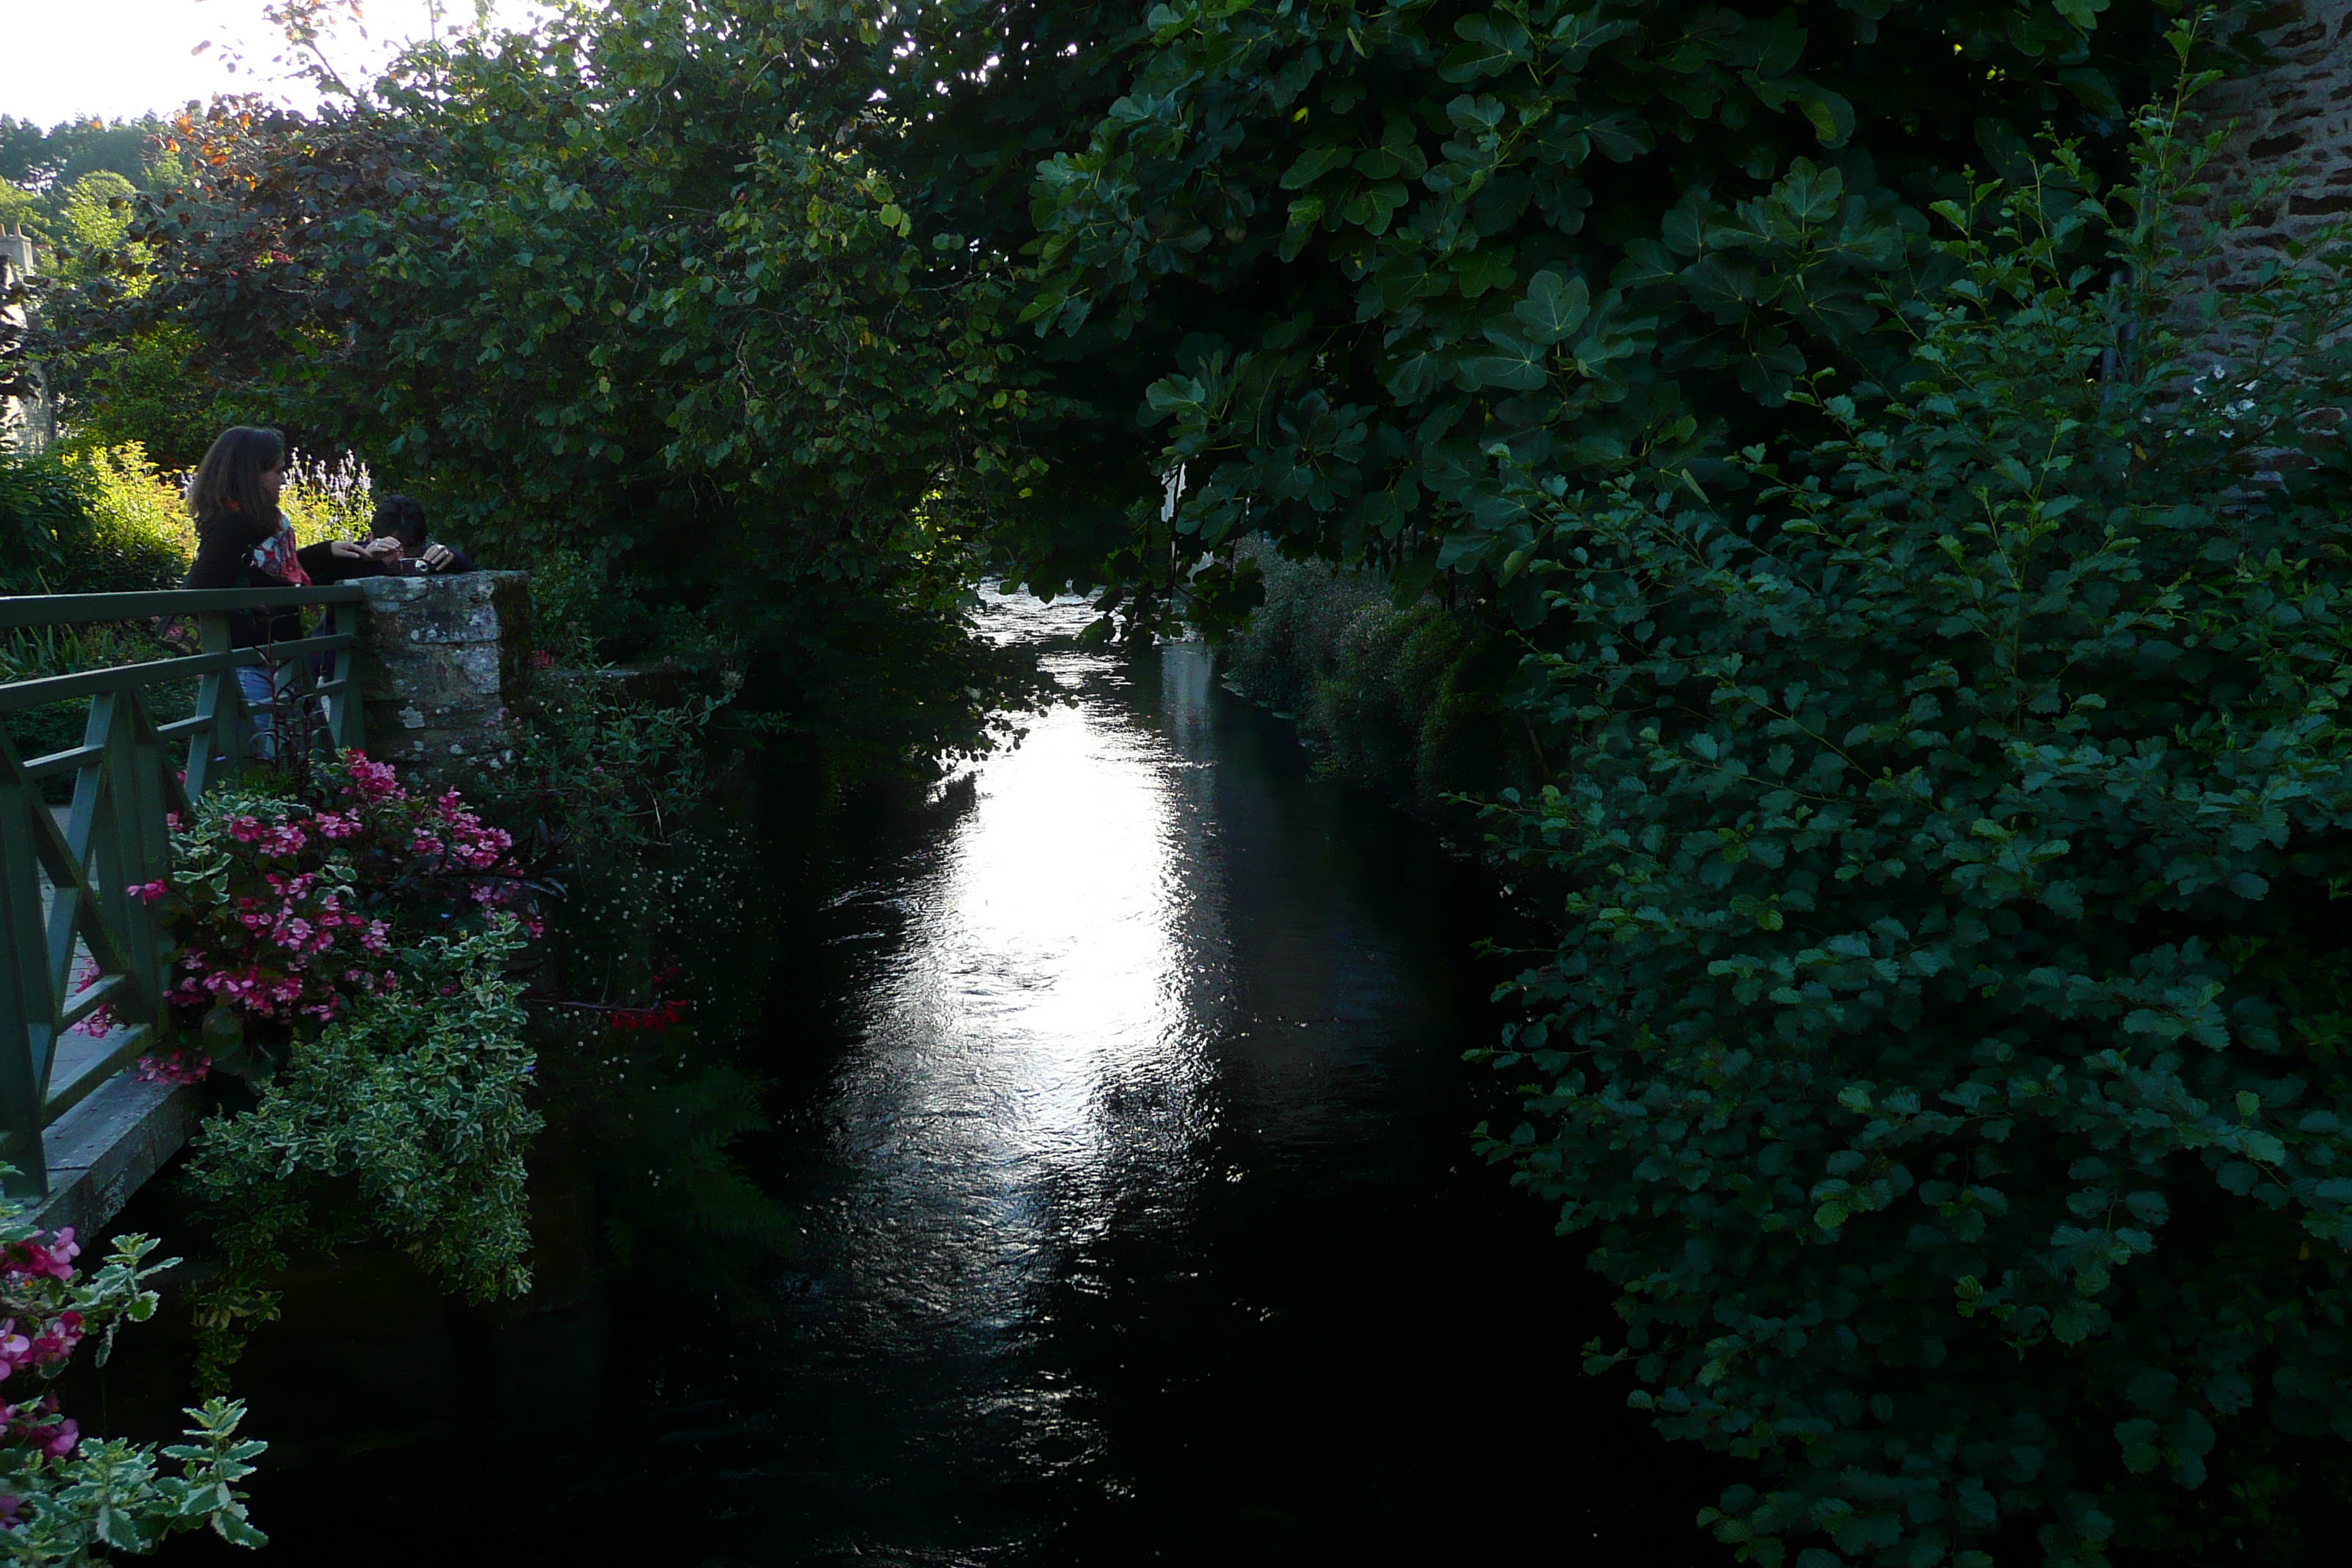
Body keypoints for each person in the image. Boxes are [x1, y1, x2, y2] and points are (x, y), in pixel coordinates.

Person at [184, 426, 377, 755]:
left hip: (272, 660)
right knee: (272, 761)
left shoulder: (259, 525)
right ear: (250, 476)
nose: (284, 479)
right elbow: (199, 592)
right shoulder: (234, 525)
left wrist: (326, 553)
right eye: (277, 471)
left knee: (287, 761)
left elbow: (266, 574)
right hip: (252, 662)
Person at [295, 494, 473, 584]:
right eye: (391, 546)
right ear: (371, 538)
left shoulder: (427, 560)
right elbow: (294, 572)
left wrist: (450, 558)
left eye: (409, 546)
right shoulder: (355, 558)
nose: (400, 557)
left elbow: (471, 570)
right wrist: (365, 561)